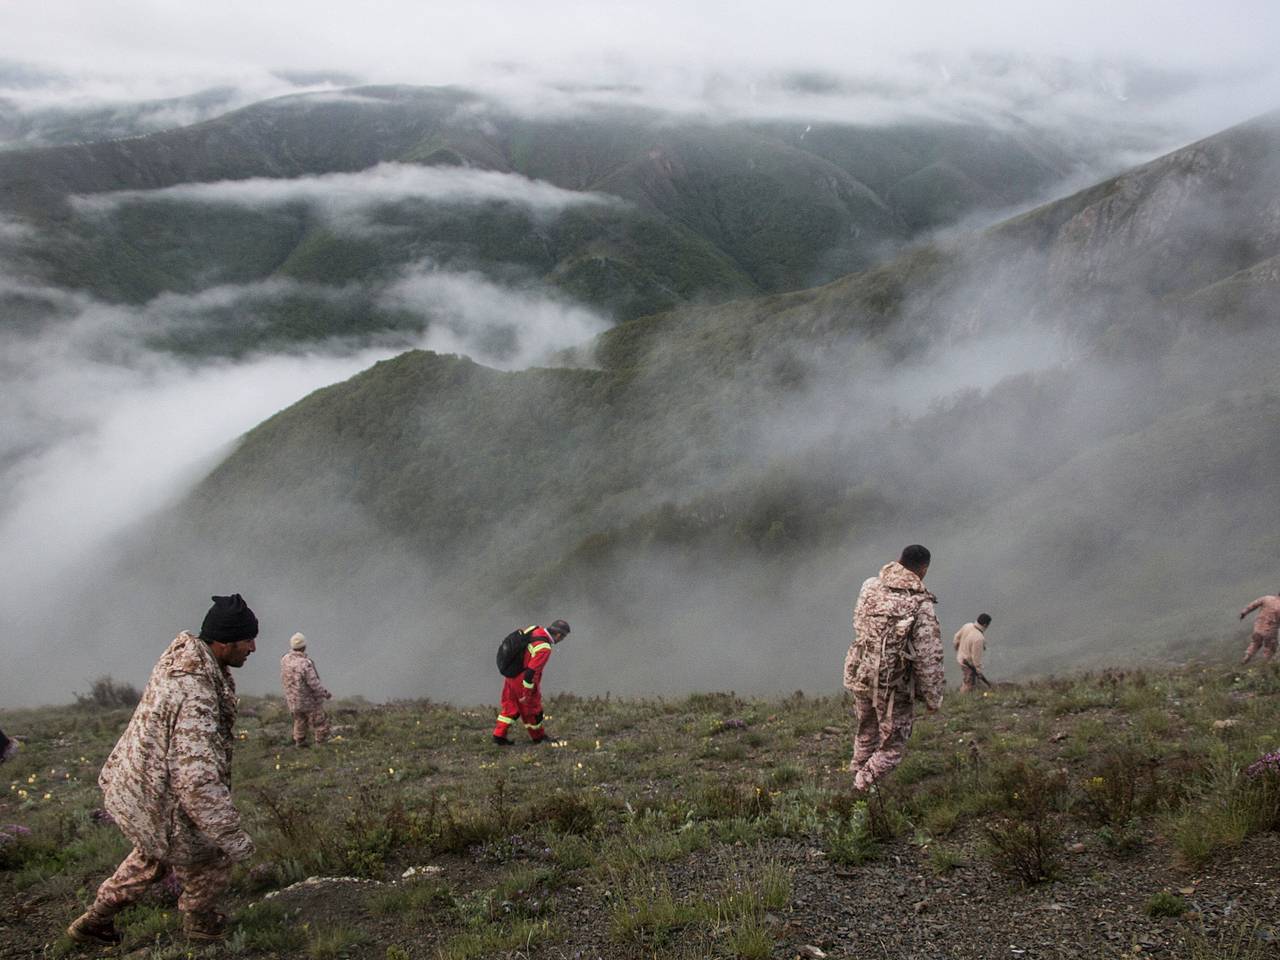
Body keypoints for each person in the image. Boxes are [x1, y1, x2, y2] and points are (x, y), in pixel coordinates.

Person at [67, 595, 259, 946]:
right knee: (209, 855)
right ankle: (203, 927)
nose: (253, 647)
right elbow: (196, 781)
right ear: (223, 642)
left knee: (151, 857)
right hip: (161, 799)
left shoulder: (182, 661)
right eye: (247, 640)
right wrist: (233, 838)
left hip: (140, 789)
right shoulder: (196, 694)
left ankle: (95, 922)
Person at [843, 545, 944, 791]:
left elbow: (858, 622)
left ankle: (858, 773)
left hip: (860, 673)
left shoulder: (869, 586)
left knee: (867, 730)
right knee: (892, 746)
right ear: (924, 569)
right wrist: (933, 697)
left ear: (898, 560)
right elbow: (928, 656)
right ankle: (860, 790)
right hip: (892, 684)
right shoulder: (920, 603)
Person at [493, 619, 570, 746]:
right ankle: (538, 737)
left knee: (510, 705)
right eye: (563, 637)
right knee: (532, 709)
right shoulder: (544, 648)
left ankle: (498, 735)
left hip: (512, 673)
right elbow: (531, 672)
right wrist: (527, 693)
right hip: (522, 678)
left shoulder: (535, 629)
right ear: (559, 635)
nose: (562, 640)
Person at [280, 632, 332, 747]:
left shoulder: (285, 660)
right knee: (319, 721)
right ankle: (321, 744)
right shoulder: (305, 663)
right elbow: (313, 683)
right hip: (308, 700)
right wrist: (324, 693)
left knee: (299, 720)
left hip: (292, 699)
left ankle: (299, 742)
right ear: (304, 646)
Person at [953, 613, 992, 693]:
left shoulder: (968, 625)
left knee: (970, 681)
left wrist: (958, 649)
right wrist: (978, 671)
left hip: (961, 658)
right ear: (985, 624)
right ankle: (963, 699)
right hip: (968, 664)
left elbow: (956, 638)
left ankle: (970, 695)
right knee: (969, 683)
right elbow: (976, 658)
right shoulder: (979, 638)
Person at [1240, 591, 1280, 664]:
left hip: (1258, 627)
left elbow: (1253, 605)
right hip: (1270, 631)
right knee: (1270, 648)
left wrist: (1244, 612)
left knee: (1255, 643)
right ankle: (1264, 665)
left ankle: (1246, 658)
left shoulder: (1267, 598)